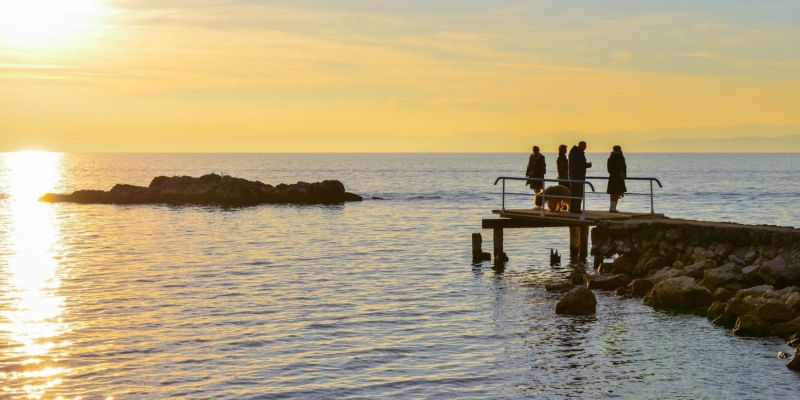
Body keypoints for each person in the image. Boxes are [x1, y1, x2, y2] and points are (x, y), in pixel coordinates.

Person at [568, 141, 592, 213]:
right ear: (580, 146)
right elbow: (582, 164)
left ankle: (572, 208)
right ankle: (576, 209)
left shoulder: (572, 152)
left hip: (573, 176)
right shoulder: (579, 154)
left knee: (574, 193)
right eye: (584, 146)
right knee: (578, 193)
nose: (585, 148)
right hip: (578, 176)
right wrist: (588, 165)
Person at [606, 145, 627, 212]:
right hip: (618, 178)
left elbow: (609, 169)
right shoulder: (620, 157)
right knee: (617, 193)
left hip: (612, 177)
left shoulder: (610, 157)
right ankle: (613, 208)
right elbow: (623, 167)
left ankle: (611, 208)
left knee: (612, 193)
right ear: (620, 149)